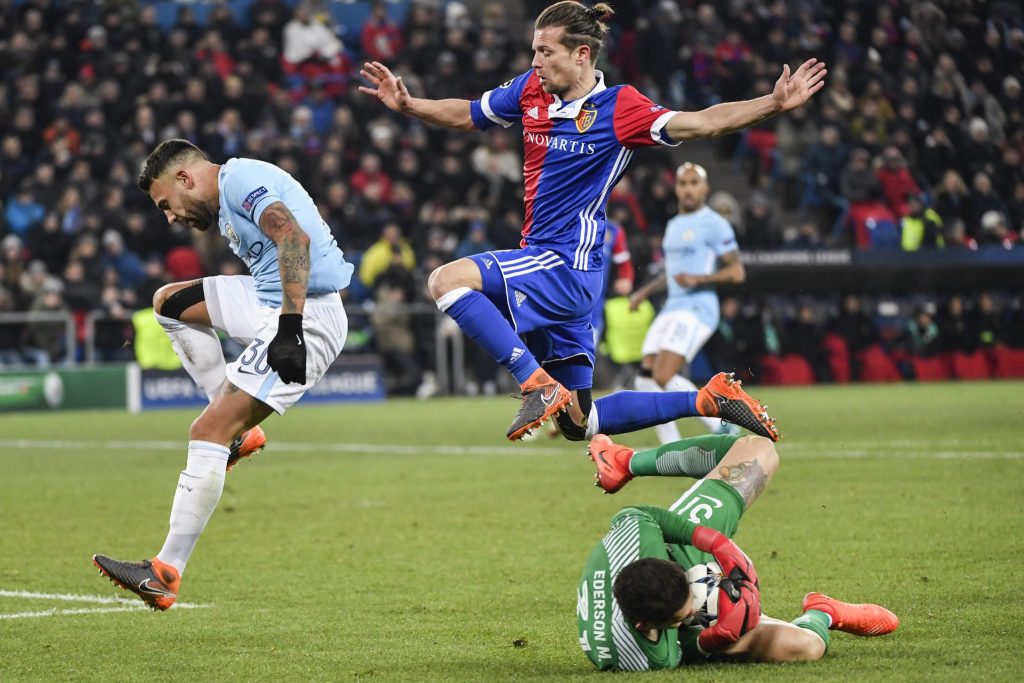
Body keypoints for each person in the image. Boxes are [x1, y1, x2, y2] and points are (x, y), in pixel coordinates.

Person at [359, 1, 821, 441]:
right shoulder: (530, 91)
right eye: (534, 50)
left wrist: (772, 104)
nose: (535, 61)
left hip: (564, 265)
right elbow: (470, 113)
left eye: (546, 51)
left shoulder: (621, 109)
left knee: (445, 280)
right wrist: (410, 105)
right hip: (557, 269)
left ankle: (534, 382)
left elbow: (702, 123)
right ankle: (710, 400)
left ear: (581, 55)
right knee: (579, 421)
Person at [92, 139, 354, 610]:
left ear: (185, 179)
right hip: (269, 300)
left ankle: (165, 572)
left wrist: (290, 329)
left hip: (307, 315)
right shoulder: (228, 196)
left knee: (207, 428)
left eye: (165, 204)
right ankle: (241, 433)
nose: (169, 217)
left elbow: (294, 239)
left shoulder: (241, 182)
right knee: (168, 303)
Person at [577, 432, 898, 670]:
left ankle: (625, 461)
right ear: (646, 627)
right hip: (673, 622)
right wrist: (711, 639)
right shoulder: (646, 656)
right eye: (685, 616)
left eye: (692, 600)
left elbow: (639, 514)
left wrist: (718, 545)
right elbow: (683, 648)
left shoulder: (638, 537)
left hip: (678, 549)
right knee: (806, 646)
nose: (694, 610)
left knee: (757, 451)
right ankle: (823, 611)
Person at [629, 163, 745, 444]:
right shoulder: (674, 225)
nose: (688, 189)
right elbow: (673, 272)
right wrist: (645, 292)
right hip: (673, 306)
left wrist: (700, 278)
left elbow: (737, 272)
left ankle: (723, 425)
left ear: (704, 188)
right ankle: (672, 447)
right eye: (683, 184)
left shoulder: (715, 224)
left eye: (694, 183)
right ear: (677, 189)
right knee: (644, 379)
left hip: (698, 307)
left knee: (663, 374)